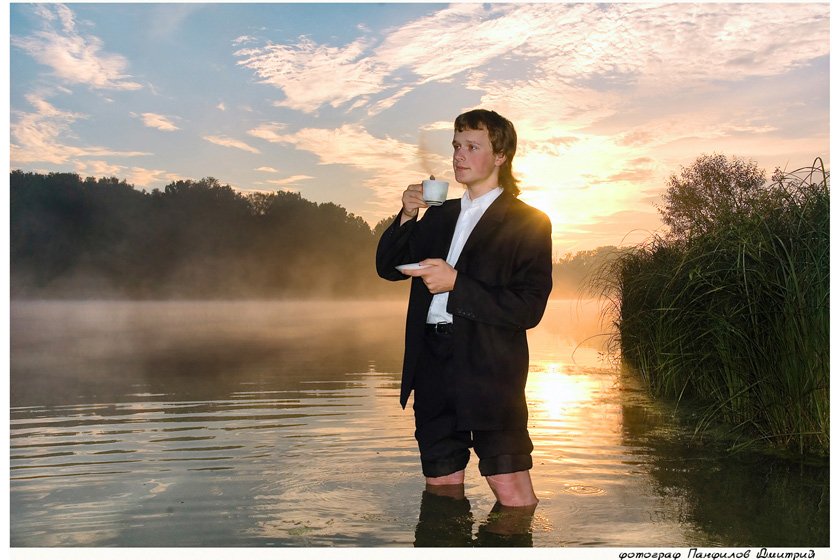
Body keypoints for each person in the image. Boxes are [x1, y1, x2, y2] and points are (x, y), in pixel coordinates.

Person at [375, 108, 553, 508]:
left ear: (501, 155)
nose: (459, 155)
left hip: (490, 367)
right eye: (456, 146)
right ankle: (446, 537)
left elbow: (528, 309)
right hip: (432, 362)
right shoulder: (439, 215)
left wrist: (457, 284)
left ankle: (519, 539)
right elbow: (388, 267)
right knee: (441, 485)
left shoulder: (529, 221)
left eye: (472, 146)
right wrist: (407, 214)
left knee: (511, 489)